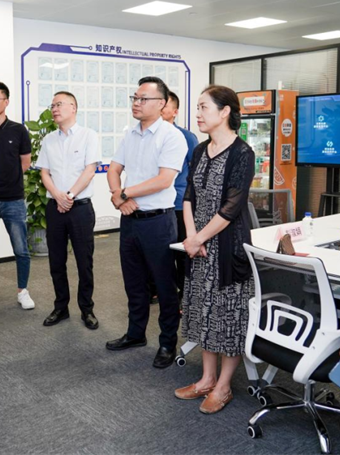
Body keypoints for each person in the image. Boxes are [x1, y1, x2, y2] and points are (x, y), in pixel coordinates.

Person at [175, 85, 254, 415]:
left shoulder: (242, 153)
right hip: (199, 247)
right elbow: (188, 196)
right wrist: (192, 236)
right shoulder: (199, 150)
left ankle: (223, 387)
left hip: (227, 249)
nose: (198, 114)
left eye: (203, 107)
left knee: (228, 316)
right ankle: (206, 379)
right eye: (197, 107)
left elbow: (232, 208)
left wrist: (199, 239)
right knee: (203, 312)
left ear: (224, 112)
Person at [105, 76, 188, 369]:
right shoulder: (130, 134)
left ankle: (167, 342)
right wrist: (119, 197)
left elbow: (164, 180)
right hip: (130, 219)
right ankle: (135, 333)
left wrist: (123, 193)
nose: (136, 103)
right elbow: (114, 169)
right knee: (134, 281)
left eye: (143, 98)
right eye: (135, 98)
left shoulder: (171, 136)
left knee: (164, 284)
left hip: (158, 221)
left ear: (161, 103)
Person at [37, 91, 101, 330]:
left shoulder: (88, 136)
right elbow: (44, 172)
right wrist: (57, 195)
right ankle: (61, 307)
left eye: (59, 104)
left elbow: (90, 170)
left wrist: (70, 195)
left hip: (80, 208)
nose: (54, 109)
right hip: (55, 207)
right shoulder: (48, 140)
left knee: (84, 261)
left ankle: (87, 309)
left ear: (73, 108)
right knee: (56, 260)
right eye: (52, 105)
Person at [0, 81, 34, 310]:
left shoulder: (18, 130)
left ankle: (23, 291)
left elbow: (25, 162)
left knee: (21, 249)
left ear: (6, 102)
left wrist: (10, 178)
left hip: (14, 200)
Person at [161, 91, 200, 300]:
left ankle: (186, 295)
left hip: (179, 204)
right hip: (157, 205)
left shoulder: (186, 137)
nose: (160, 108)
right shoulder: (150, 135)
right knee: (161, 253)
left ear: (175, 111)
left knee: (182, 253)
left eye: (165, 104)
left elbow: (196, 169)